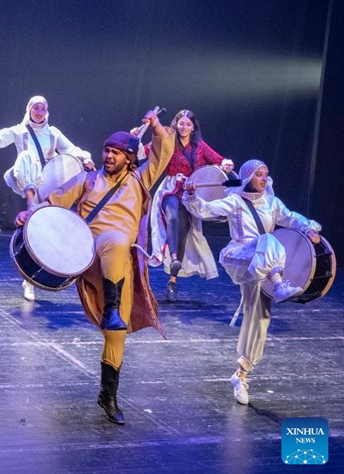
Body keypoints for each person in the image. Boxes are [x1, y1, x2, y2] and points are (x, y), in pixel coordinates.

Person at [16, 109, 175, 425]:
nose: (109, 156)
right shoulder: (88, 180)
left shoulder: (140, 180)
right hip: (89, 253)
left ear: (130, 157)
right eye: (107, 150)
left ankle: (108, 394)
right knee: (115, 240)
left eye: (116, 152)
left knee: (116, 332)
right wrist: (30, 213)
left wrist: (157, 127)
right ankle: (112, 307)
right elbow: (53, 202)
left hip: (119, 266)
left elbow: (162, 153)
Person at [183, 159, 319, 405]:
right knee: (268, 240)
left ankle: (241, 374)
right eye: (259, 174)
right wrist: (191, 195)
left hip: (263, 264)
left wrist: (308, 228)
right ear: (247, 177)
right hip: (239, 257)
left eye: (266, 174)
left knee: (259, 315)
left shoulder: (272, 203)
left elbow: (291, 218)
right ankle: (279, 284)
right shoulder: (235, 201)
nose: (264, 178)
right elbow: (204, 209)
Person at [0, 96, 93, 301]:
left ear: (46, 111)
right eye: (36, 108)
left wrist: (86, 159)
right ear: (29, 110)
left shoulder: (53, 133)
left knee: (43, 234)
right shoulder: (18, 131)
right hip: (28, 179)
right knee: (25, 156)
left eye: (43, 108)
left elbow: (72, 150)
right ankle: (31, 204)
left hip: (48, 183)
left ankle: (30, 280)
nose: (39, 112)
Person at [146, 110, 230, 302]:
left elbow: (218, 159)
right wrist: (133, 140)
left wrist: (225, 164)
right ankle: (174, 257)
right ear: (176, 124)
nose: (184, 127)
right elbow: (148, 149)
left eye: (187, 124)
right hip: (170, 189)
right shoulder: (169, 140)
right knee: (172, 216)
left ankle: (172, 281)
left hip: (189, 193)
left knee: (183, 231)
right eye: (181, 123)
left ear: (193, 127)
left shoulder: (199, 146)